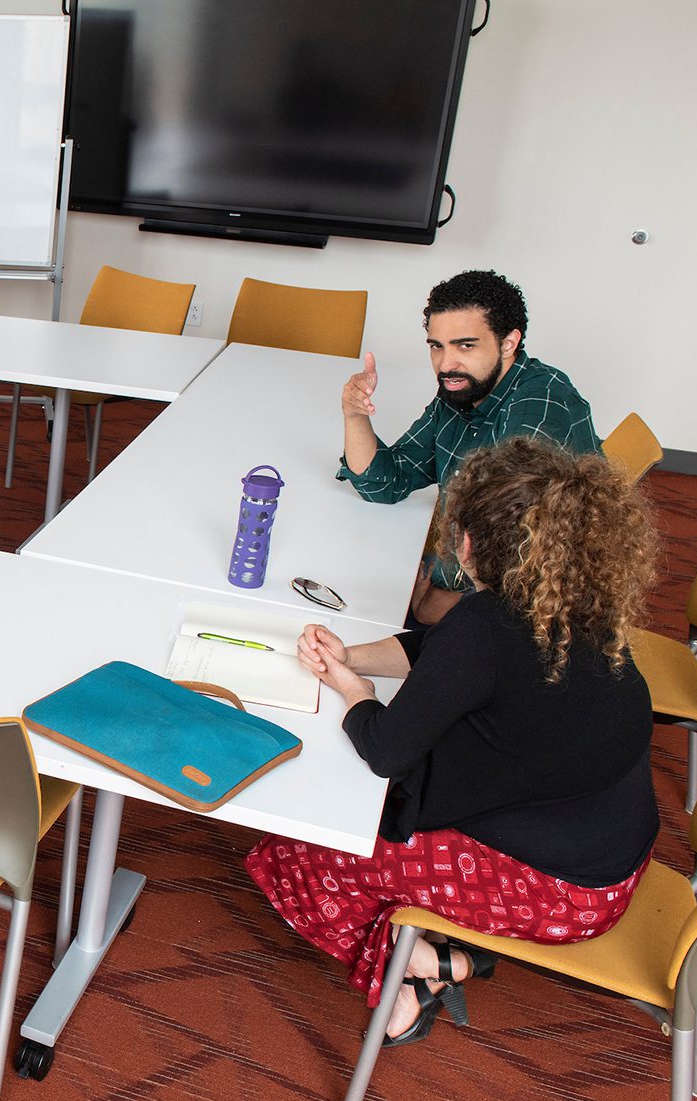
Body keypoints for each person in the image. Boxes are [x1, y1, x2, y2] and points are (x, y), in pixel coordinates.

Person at [247, 438, 660, 1046]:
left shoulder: (484, 629)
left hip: (561, 894)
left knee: (304, 851)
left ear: (467, 544)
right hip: (616, 857)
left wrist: (352, 687)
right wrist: (351, 653)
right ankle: (436, 953)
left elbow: (385, 748)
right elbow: (443, 653)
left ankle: (430, 969)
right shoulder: (577, 602)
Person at [337, 269, 600, 624]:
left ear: (508, 342)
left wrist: (430, 604)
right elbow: (387, 482)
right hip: (458, 577)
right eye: (437, 346)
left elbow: (510, 570)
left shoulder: (539, 406)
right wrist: (354, 415)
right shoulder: (463, 388)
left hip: (530, 617)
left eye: (466, 345)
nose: (446, 364)